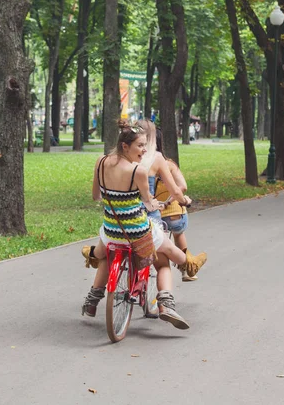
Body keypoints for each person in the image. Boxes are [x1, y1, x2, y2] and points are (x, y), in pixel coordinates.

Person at [80, 121, 207, 329]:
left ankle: (92, 299)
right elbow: (148, 202)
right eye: (140, 146)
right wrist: (154, 202)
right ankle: (187, 270)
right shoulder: (137, 170)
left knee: (106, 256)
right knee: (168, 253)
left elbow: (96, 196)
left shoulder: (100, 162)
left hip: (112, 230)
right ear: (125, 146)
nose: (144, 150)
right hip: (137, 232)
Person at [154, 128, 196, 281]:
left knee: (160, 242)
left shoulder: (141, 166)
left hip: (153, 213)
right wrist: (170, 201)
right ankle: (186, 269)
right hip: (174, 213)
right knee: (178, 234)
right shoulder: (169, 165)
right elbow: (182, 187)